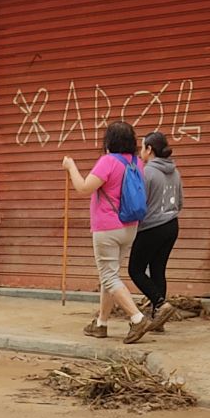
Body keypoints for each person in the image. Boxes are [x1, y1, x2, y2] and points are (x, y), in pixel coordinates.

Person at [62, 120, 148, 341]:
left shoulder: (108, 161)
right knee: (109, 276)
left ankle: (137, 318)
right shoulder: (137, 163)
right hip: (130, 226)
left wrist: (71, 167)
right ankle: (101, 323)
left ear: (109, 140)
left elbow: (83, 188)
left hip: (107, 228)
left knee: (109, 277)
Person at [128, 131, 183, 331]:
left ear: (149, 149)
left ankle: (160, 303)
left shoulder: (147, 172)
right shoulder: (175, 172)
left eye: (142, 147)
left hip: (151, 227)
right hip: (172, 225)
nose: (140, 152)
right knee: (158, 269)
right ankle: (158, 320)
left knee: (135, 269)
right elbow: (180, 201)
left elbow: (139, 203)